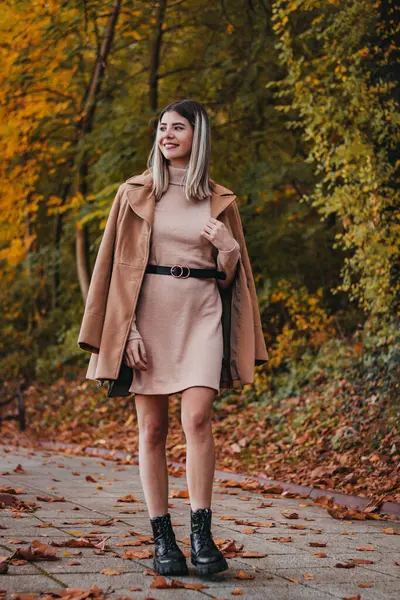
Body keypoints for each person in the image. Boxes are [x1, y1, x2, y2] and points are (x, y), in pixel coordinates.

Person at [78, 98, 269, 577]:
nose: (166, 135)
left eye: (177, 128)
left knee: (199, 417)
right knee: (153, 429)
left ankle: (202, 535)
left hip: (202, 312)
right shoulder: (136, 192)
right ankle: (163, 537)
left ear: (197, 136)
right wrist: (128, 332)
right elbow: (115, 272)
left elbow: (231, 281)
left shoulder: (219, 200)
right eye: (162, 127)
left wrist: (227, 251)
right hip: (149, 319)